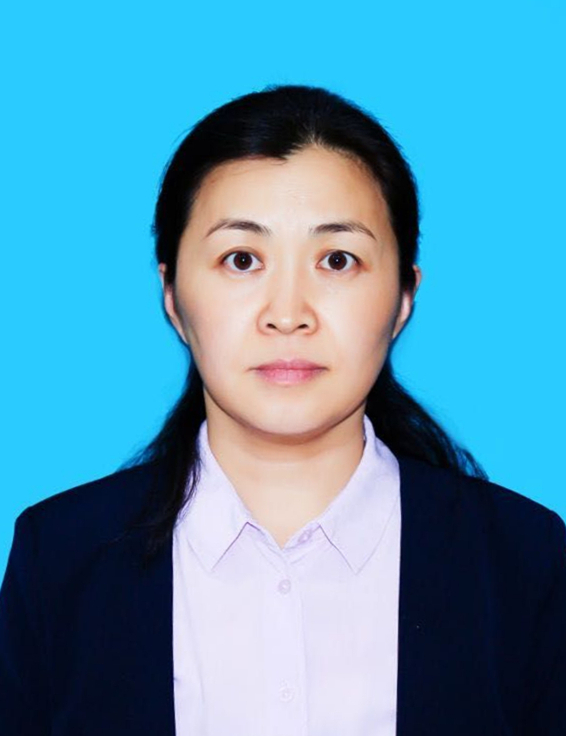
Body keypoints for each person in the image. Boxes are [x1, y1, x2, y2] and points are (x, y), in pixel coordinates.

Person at [0, 84, 564, 736]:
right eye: (242, 260)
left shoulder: (524, 561)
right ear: (172, 294)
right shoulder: (60, 560)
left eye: (338, 260)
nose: (288, 313)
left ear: (404, 296)